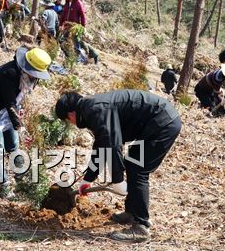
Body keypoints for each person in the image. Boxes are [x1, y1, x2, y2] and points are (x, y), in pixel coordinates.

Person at [55, 90, 181, 243]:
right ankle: (131, 213)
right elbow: (102, 145)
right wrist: (88, 179)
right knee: (133, 162)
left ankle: (141, 227)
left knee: (138, 169)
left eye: (68, 120)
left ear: (71, 114)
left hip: (163, 123)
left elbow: (113, 145)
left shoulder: (94, 109)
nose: (71, 123)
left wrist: (118, 180)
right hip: (157, 122)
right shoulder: (91, 108)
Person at [0, 47, 52, 198]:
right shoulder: (9, 74)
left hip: (5, 110)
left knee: (13, 146)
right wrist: (20, 127)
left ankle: (22, 182)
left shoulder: (28, 78)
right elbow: (10, 104)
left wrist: (20, 114)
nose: (35, 77)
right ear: (27, 66)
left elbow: (17, 101)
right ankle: (4, 188)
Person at [58, 0, 99, 64]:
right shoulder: (67, 3)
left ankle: (80, 60)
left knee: (76, 44)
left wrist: (83, 27)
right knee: (63, 41)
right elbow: (63, 14)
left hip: (75, 27)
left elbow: (83, 16)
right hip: (67, 26)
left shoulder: (78, 3)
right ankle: (70, 57)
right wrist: (61, 24)